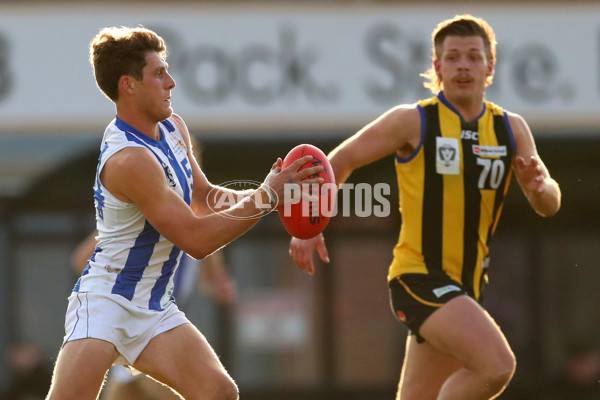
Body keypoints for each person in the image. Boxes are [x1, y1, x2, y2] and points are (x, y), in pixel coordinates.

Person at [289, 14, 561, 400]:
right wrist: (309, 223)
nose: (462, 65)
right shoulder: (412, 121)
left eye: (472, 56)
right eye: (452, 57)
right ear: (437, 66)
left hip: (465, 288)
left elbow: (550, 203)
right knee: (496, 366)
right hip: (418, 278)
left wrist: (538, 188)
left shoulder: (511, 129)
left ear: (490, 66)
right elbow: (341, 160)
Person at [46, 26, 323, 400]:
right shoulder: (130, 160)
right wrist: (267, 198)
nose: (171, 82)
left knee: (219, 392)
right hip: (105, 303)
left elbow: (205, 197)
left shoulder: (173, 127)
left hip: (154, 306)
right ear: (128, 86)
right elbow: (196, 239)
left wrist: (274, 198)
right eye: (159, 73)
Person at [70, 233, 235, 400]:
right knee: (209, 391)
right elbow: (82, 259)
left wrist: (221, 285)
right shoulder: (140, 215)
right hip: (141, 325)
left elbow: (214, 280)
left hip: (162, 325)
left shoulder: (199, 224)